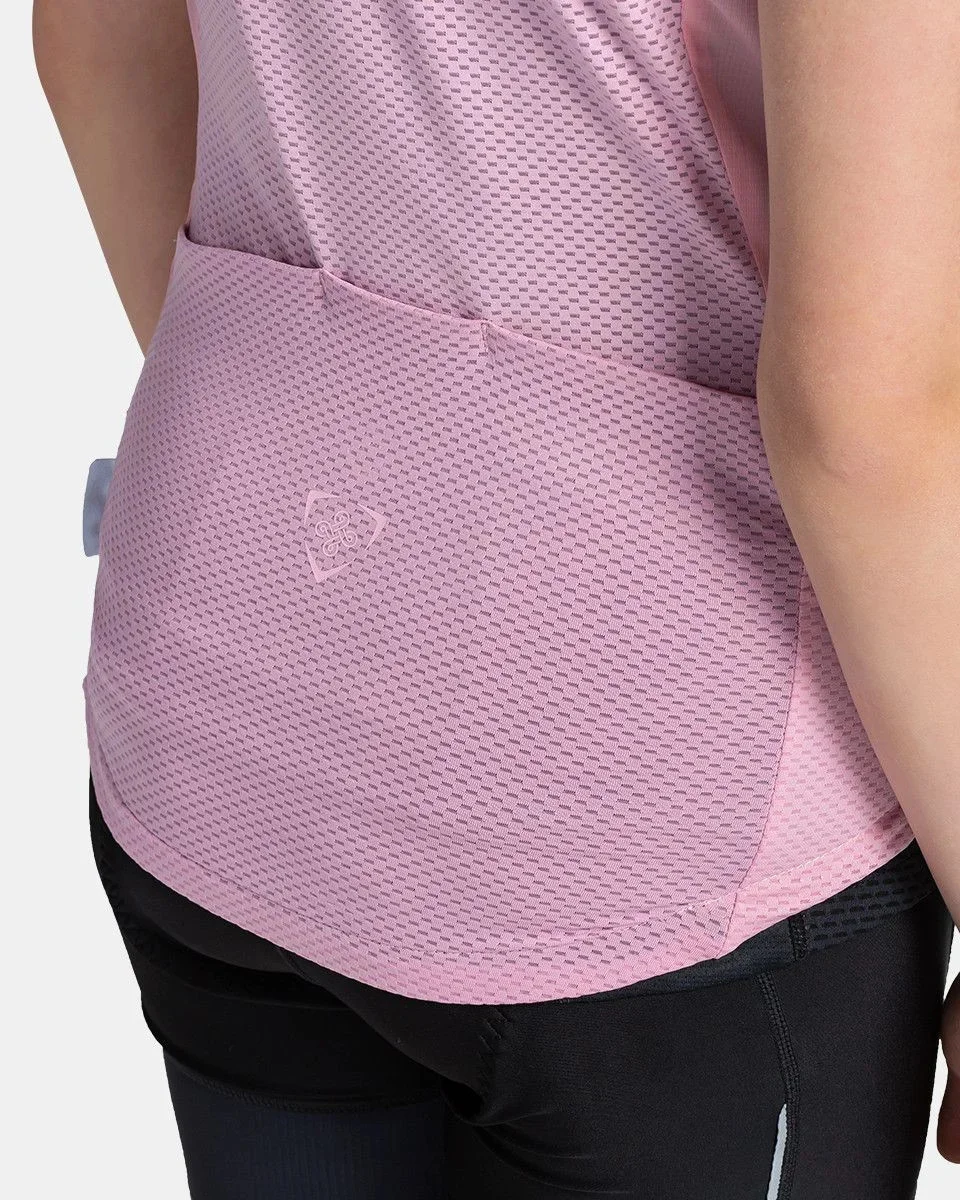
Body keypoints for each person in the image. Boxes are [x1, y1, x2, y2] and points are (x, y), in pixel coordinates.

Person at [35, 2, 960, 1197]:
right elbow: (861, 425)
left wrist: (314, 468)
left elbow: (96, 41)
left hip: (215, 685)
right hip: (656, 800)